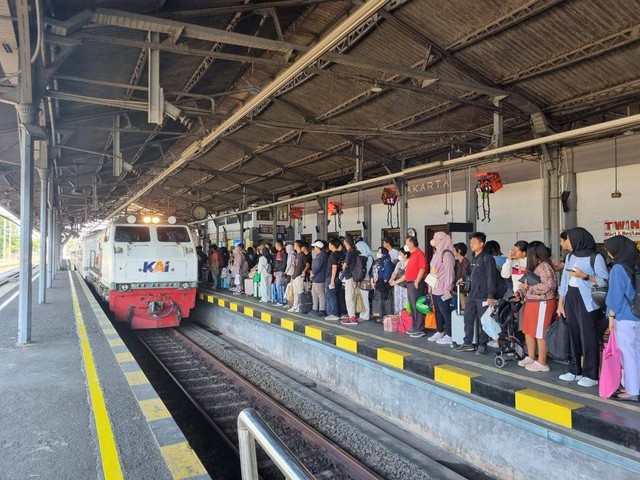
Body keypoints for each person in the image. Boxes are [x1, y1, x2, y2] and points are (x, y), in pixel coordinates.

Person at [557, 227, 609, 387]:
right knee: (573, 334)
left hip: (587, 300)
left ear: (578, 239)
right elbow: (564, 280)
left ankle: (591, 374)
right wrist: (560, 303)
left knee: (589, 337)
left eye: (569, 239)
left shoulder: (596, 257)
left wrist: (584, 276)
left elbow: (604, 280)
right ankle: (574, 370)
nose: (566, 242)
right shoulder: (570, 256)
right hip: (571, 297)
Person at [604, 235, 640, 401]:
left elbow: (615, 298)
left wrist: (611, 316)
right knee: (637, 353)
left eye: (610, 250)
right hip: (637, 315)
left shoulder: (619, 268)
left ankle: (632, 390)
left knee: (628, 354)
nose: (609, 253)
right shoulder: (635, 265)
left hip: (625, 316)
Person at [516, 241, 557, 372]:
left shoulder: (545, 266)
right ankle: (531, 356)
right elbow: (527, 285)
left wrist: (529, 287)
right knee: (528, 331)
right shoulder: (535, 266)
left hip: (542, 303)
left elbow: (548, 286)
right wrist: (520, 292)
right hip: (532, 302)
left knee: (540, 333)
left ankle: (542, 362)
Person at [454, 232, 498, 354]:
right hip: (472, 294)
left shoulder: (487, 258)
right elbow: (472, 275)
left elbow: (491, 277)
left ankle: (482, 345)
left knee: (483, 321)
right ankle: (468, 342)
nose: (471, 244)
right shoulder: (473, 257)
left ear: (482, 244)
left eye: (474, 242)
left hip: (483, 295)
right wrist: (464, 279)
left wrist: (490, 296)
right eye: (471, 242)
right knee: (468, 318)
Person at [394, 237, 427, 337]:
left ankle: (420, 328)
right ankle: (414, 325)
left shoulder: (419, 254)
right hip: (409, 283)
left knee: (417, 305)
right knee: (412, 306)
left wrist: (417, 281)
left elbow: (422, 269)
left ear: (412, 244)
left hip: (415, 283)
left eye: (407, 243)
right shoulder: (412, 254)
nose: (406, 245)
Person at [427, 232, 456, 345]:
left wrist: (448, 287)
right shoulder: (437, 253)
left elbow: (450, 272)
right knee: (438, 310)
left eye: (436, 238)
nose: (433, 240)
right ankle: (439, 331)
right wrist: (430, 286)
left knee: (445, 311)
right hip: (435, 287)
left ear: (442, 240)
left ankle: (449, 334)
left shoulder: (447, 254)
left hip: (443, 288)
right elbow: (432, 270)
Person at [371, 246, 394, 322]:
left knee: (387, 301)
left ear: (384, 253)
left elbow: (386, 276)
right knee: (378, 301)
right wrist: (372, 282)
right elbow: (372, 272)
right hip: (377, 285)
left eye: (380, 252)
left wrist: (378, 284)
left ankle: (388, 317)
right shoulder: (376, 261)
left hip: (384, 286)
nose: (378, 253)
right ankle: (380, 316)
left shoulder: (387, 262)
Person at [340, 237, 359, 325]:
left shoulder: (349, 252)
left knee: (349, 297)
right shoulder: (353, 252)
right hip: (352, 276)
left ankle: (352, 317)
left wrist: (343, 267)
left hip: (349, 276)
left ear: (346, 242)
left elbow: (345, 265)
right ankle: (351, 315)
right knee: (350, 296)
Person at [355, 240, 374, 322]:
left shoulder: (369, 257)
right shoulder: (361, 257)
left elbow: (366, 271)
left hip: (365, 280)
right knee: (361, 298)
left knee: (364, 298)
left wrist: (360, 278)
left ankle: (365, 316)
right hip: (361, 279)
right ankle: (362, 314)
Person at [324, 238, 343, 321]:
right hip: (339, 278)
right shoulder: (340, 254)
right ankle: (338, 312)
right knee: (337, 295)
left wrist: (332, 280)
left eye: (330, 244)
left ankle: (333, 314)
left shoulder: (333, 255)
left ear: (332, 245)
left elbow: (334, 267)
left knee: (331, 296)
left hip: (332, 278)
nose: (329, 246)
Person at [310, 240, 328, 316]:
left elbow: (317, 267)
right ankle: (315, 308)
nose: (313, 249)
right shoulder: (323, 255)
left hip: (319, 279)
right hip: (317, 278)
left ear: (318, 248)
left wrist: (312, 273)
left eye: (314, 247)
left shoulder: (320, 256)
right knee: (314, 294)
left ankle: (322, 309)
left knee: (320, 294)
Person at [390, 248, 410, 315]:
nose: (399, 256)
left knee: (405, 301)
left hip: (405, 286)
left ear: (406, 255)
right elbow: (395, 273)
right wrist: (392, 279)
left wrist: (396, 282)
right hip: (398, 287)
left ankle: (405, 317)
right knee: (398, 301)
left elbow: (406, 276)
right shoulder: (399, 263)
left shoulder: (410, 263)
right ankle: (400, 317)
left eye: (400, 254)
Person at [288, 241, 307, 313]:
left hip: (299, 276)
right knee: (295, 292)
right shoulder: (297, 255)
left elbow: (307, 264)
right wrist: (293, 275)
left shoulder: (302, 255)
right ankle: (295, 306)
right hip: (295, 276)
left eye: (295, 245)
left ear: (298, 245)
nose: (294, 246)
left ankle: (300, 306)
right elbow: (296, 266)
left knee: (300, 292)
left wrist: (304, 271)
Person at [273, 241, 288, 306]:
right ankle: (280, 300)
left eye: (276, 244)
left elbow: (284, 262)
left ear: (278, 245)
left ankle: (281, 301)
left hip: (280, 271)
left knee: (280, 286)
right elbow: (277, 263)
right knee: (278, 286)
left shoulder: (283, 252)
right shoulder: (279, 252)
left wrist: (282, 270)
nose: (275, 246)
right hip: (278, 271)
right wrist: (275, 270)